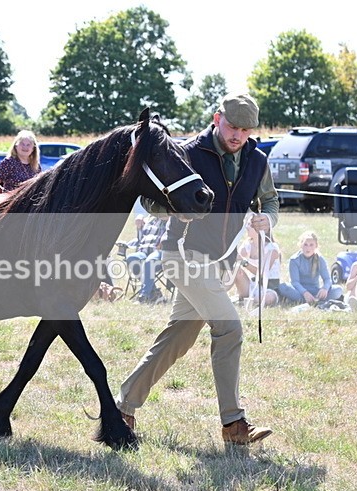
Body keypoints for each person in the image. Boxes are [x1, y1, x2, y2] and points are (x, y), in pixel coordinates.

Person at [115, 93, 279, 446]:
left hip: (222, 263)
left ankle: (123, 408)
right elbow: (147, 200)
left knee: (179, 337)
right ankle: (234, 424)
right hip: (183, 255)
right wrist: (175, 211)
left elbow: (269, 198)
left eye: (245, 130)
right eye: (233, 126)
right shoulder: (186, 152)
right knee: (230, 327)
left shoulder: (257, 159)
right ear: (217, 118)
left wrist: (269, 218)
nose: (238, 136)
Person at [277, 231, 343, 305]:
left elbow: (327, 279)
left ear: (316, 246)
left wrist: (325, 289)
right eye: (305, 244)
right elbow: (295, 282)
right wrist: (305, 293)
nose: (308, 248)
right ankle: (313, 301)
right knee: (283, 287)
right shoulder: (294, 260)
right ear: (301, 245)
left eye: (311, 245)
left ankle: (310, 300)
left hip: (315, 290)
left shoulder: (319, 259)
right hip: (299, 291)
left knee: (338, 290)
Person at [233, 226, 281, 307]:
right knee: (235, 269)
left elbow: (261, 273)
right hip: (252, 285)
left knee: (269, 297)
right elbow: (235, 258)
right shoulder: (247, 245)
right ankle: (222, 293)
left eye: (250, 225)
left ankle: (245, 301)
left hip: (269, 288)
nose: (247, 227)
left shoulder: (272, 248)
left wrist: (243, 261)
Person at [125, 214, 167, 303]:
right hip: (143, 251)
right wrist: (139, 219)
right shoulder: (149, 220)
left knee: (150, 261)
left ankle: (144, 296)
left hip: (159, 253)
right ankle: (154, 293)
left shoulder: (170, 220)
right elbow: (139, 238)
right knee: (132, 258)